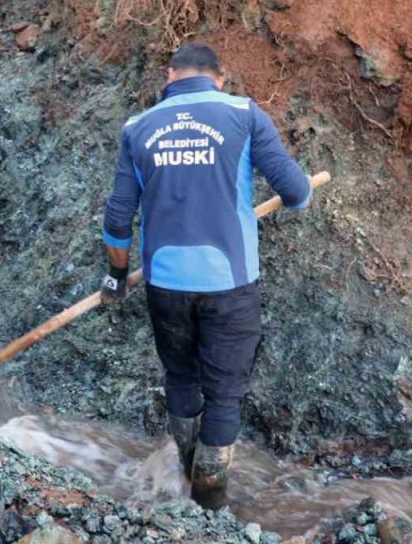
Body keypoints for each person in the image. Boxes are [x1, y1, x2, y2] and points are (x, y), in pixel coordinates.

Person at [100, 42, 313, 510]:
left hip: (165, 286)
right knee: (224, 394)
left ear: (170, 74)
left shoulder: (138, 128)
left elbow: (117, 218)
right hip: (229, 285)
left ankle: (184, 472)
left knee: (180, 377)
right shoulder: (243, 114)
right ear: (220, 77)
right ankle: (209, 500)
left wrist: (116, 276)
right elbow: (296, 193)